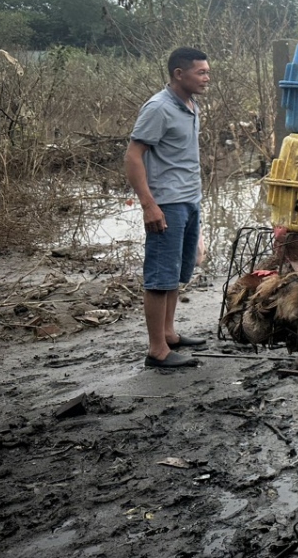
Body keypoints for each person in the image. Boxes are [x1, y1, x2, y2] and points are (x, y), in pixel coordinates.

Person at [125, 47, 211, 369]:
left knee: (177, 271)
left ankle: (169, 334)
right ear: (179, 74)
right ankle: (157, 350)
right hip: (167, 203)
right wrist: (149, 205)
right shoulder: (158, 108)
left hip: (189, 199)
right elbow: (133, 156)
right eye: (201, 72)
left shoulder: (191, 105)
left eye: (207, 71)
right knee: (161, 275)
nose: (207, 78)